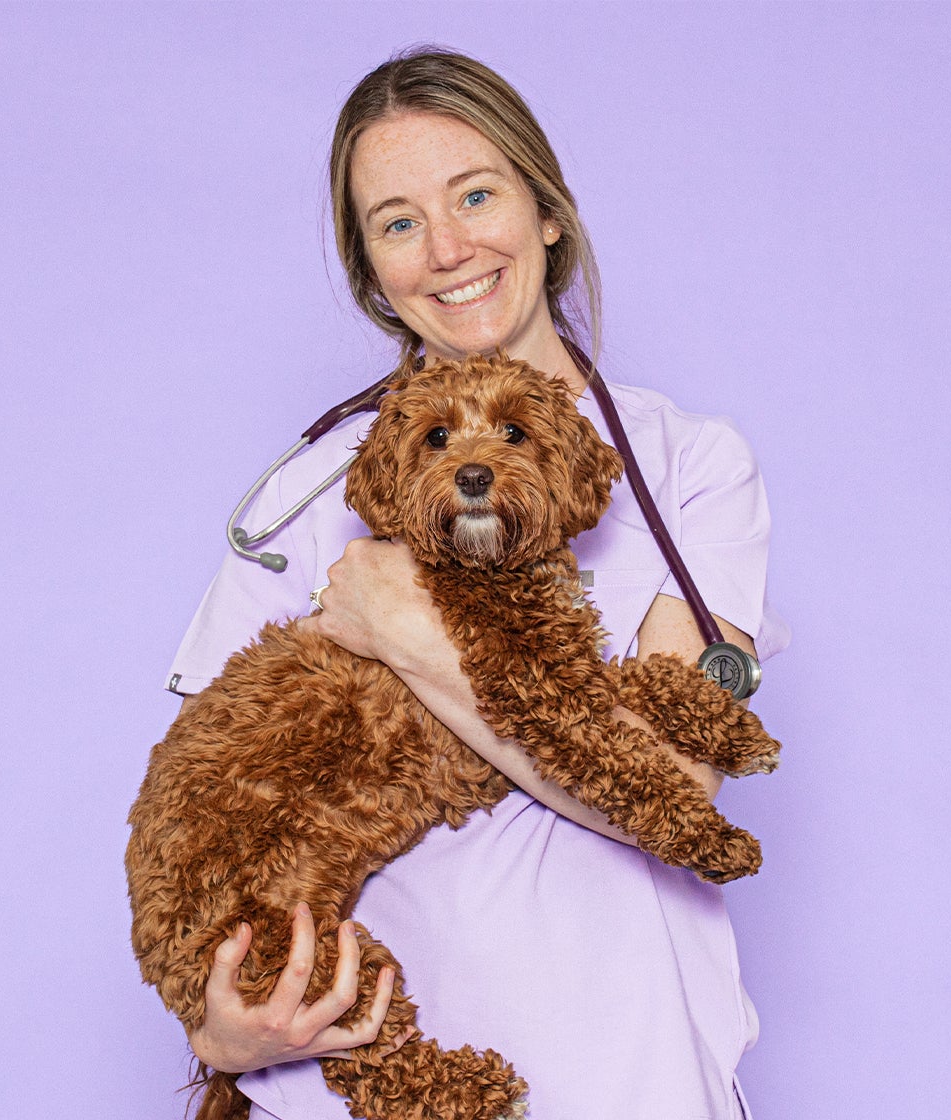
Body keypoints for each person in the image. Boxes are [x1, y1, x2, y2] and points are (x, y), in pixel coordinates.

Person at [159, 47, 790, 1120]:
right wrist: (217, 1029)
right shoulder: (313, 494)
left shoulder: (688, 466)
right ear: (370, 270)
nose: (448, 249)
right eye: (397, 222)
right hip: (356, 1085)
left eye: (476, 195)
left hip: (628, 1075)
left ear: (547, 213)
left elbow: (674, 792)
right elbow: (207, 821)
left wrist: (404, 633)